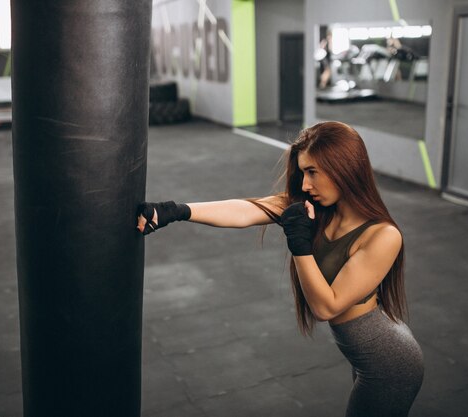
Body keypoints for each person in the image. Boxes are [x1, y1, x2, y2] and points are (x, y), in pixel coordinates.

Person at [137, 121, 424, 417]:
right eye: (303, 172)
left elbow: (327, 307)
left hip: (391, 363)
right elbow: (245, 210)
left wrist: (300, 243)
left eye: (313, 172)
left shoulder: (383, 236)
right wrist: (174, 211)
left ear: (345, 168)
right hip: (364, 358)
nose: (304, 185)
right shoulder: (319, 208)